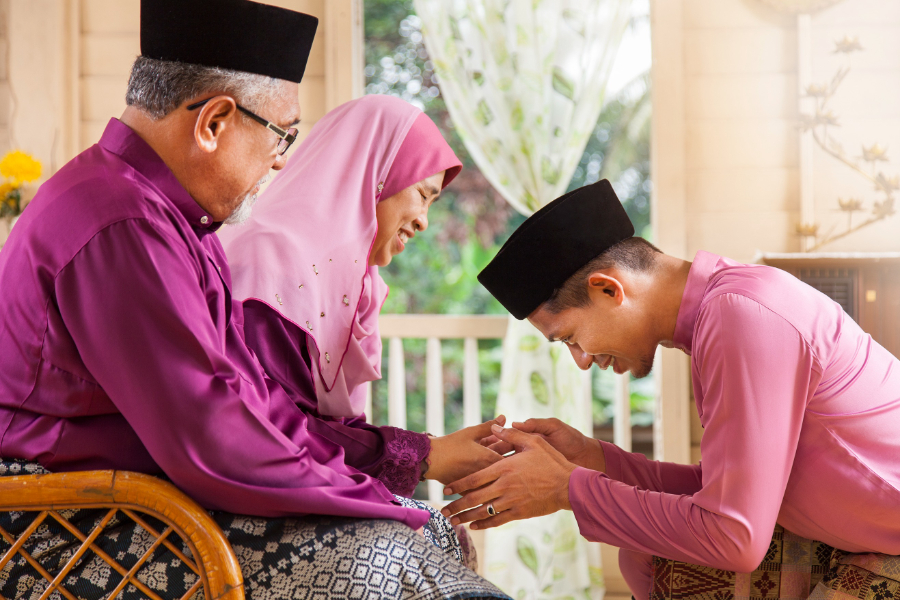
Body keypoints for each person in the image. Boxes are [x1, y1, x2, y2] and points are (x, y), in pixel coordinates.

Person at [0, 1, 507, 598]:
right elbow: (210, 435)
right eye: (281, 134)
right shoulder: (121, 224)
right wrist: (379, 501)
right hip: (62, 527)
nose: (282, 159)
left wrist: (385, 489)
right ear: (214, 122)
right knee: (380, 555)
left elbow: (255, 405)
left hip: (148, 500)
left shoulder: (170, 218)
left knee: (419, 536)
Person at [439, 179, 900, 600]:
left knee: (665, 552)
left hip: (885, 545)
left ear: (608, 290)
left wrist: (567, 489)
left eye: (570, 338)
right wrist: (594, 459)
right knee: (647, 552)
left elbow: (734, 535)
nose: (581, 360)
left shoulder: (743, 317)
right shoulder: (721, 311)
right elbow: (729, 493)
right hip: (859, 531)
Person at [220, 94, 504, 504]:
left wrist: (428, 455)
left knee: (435, 530)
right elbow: (271, 432)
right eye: (422, 195)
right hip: (240, 497)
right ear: (374, 176)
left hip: (293, 486)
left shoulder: (349, 282)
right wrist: (425, 456)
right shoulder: (273, 259)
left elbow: (330, 429)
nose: (424, 220)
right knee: (430, 537)